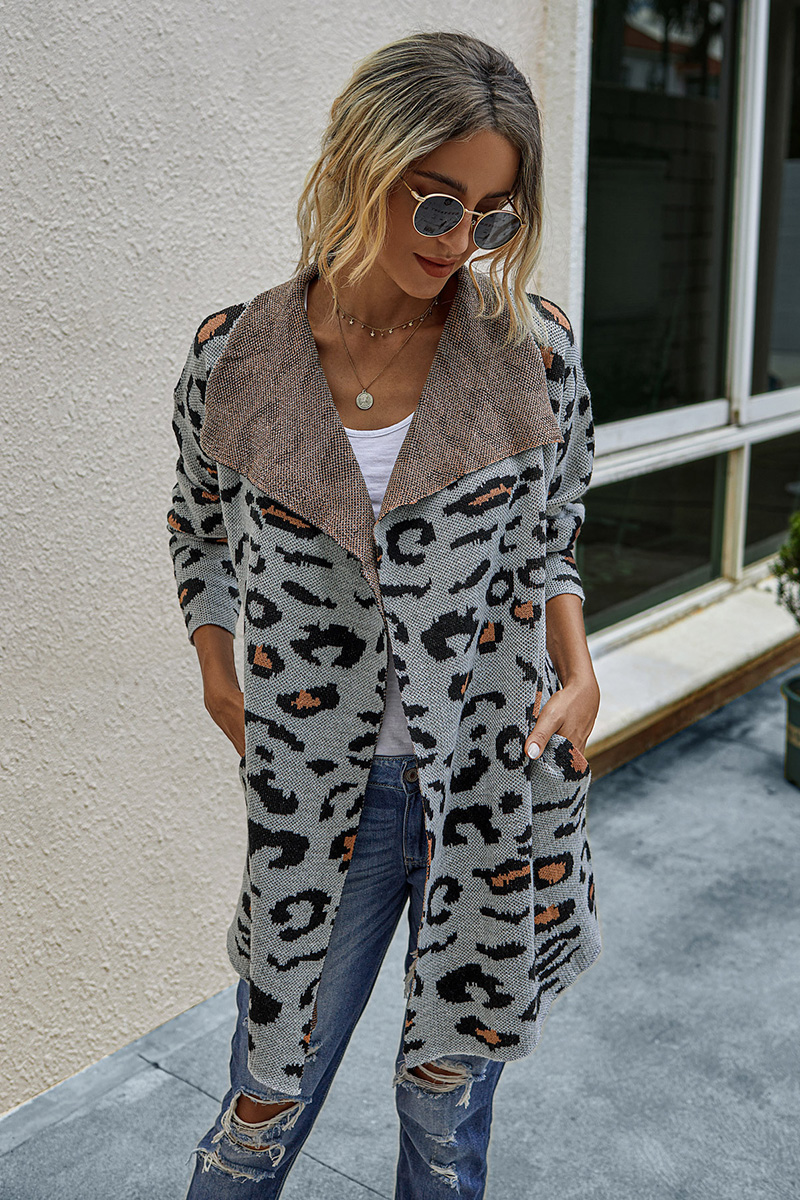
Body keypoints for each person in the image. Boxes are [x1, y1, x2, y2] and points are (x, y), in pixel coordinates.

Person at [168, 28, 602, 1200]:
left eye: (491, 216)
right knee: (261, 1111)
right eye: (435, 201)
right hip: (323, 798)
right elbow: (198, 530)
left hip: (491, 789)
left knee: (444, 1131)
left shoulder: (530, 355)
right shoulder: (236, 358)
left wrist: (577, 672)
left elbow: (550, 534)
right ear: (360, 160)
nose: (457, 242)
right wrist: (219, 677)